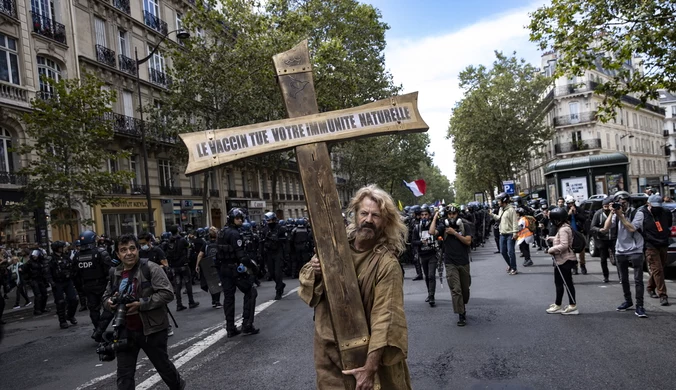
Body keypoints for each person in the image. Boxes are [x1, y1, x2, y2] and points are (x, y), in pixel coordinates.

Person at [299, 185, 411, 389]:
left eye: (376, 216)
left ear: (385, 221)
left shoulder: (387, 264)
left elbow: (385, 318)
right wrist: (316, 270)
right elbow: (306, 281)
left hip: (368, 357)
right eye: (364, 213)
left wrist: (369, 369)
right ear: (355, 214)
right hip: (329, 352)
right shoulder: (334, 246)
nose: (368, 220)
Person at [102, 234, 185, 390]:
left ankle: (178, 385)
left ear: (138, 250)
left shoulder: (150, 268)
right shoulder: (115, 273)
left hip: (151, 329)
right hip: (125, 329)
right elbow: (105, 296)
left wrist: (141, 304)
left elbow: (167, 293)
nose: (129, 253)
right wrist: (110, 303)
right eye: (123, 250)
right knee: (124, 375)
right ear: (118, 254)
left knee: (163, 366)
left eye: (132, 248)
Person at [601, 191, 647, 318]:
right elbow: (606, 228)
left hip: (636, 250)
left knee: (638, 280)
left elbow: (632, 228)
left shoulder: (638, 213)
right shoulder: (616, 213)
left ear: (629, 202)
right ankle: (628, 301)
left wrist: (620, 215)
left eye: (624, 203)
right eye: (620, 203)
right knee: (624, 279)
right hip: (620, 250)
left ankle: (640, 305)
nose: (622, 205)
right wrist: (612, 213)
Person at [217, 208, 260, 337]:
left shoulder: (221, 232)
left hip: (224, 269)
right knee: (251, 292)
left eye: (241, 218)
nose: (240, 220)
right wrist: (252, 266)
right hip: (235, 269)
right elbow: (241, 256)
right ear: (231, 219)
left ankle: (230, 328)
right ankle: (247, 325)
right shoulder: (235, 234)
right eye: (237, 218)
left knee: (229, 298)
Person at [430, 205, 472, 326]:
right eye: (449, 214)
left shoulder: (464, 225)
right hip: (450, 263)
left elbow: (468, 241)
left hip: (464, 262)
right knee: (456, 289)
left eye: (453, 214)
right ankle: (461, 314)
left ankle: (462, 305)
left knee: (465, 290)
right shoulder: (444, 226)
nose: (452, 216)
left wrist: (455, 233)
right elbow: (432, 232)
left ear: (457, 214)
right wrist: (435, 218)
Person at [73, 230, 114, 341]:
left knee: (93, 309)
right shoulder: (101, 252)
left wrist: (80, 289)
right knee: (110, 306)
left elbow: (75, 275)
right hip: (102, 284)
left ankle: (98, 330)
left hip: (87, 286)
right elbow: (109, 270)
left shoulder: (77, 256)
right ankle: (100, 330)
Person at [545, 207, 579, 315]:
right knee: (559, 283)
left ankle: (572, 306)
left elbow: (564, 245)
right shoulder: (564, 227)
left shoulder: (564, 229)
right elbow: (562, 240)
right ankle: (558, 304)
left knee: (566, 283)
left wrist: (551, 250)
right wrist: (552, 238)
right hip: (562, 260)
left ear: (557, 219)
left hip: (565, 260)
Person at [642, 195, 672, 306]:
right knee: (658, 269)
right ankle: (663, 295)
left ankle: (650, 287)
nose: (656, 208)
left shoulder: (666, 212)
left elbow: (668, 225)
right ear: (648, 204)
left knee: (659, 268)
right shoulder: (642, 213)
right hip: (650, 245)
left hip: (663, 243)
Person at [163, 226, 199, 311]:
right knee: (187, 282)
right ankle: (191, 302)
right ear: (178, 231)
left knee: (177, 285)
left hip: (174, 266)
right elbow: (189, 246)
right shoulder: (182, 240)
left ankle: (179, 304)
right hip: (183, 265)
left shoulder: (168, 242)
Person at [47, 241, 79, 329]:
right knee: (60, 302)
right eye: (62, 247)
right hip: (57, 283)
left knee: (74, 299)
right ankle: (62, 321)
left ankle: (70, 315)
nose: (64, 248)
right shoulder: (51, 259)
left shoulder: (66, 257)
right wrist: (51, 282)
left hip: (67, 281)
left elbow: (72, 266)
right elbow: (47, 271)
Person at [412, 205, 437, 306]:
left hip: (433, 254)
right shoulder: (417, 228)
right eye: (422, 215)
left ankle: (431, 296)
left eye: (426, 214)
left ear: (429, 215)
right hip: (423, 255)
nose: (424, 216)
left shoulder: (433, 225)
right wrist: (421, 242)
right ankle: (429, 293)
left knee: (431, 275)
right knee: (427, 276)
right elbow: (413, 241)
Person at [489, 192, 519, 275]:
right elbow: (499, 218)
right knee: (502, 251)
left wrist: (515, 233)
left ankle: (514, 268)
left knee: (511, 252)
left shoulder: (511, 210)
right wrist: (492, 215)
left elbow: (514, 222)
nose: (498, 202)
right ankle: (510, 265)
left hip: (510, 234)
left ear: (504, 200)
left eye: (499, 200)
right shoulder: (501, 209)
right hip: (502, 234)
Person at [589, 197, 617, 283]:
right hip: (602, 239)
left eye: (607, 206)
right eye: (604, 206)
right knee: (603, 259)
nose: (606, 208)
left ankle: (621, 277)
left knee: (617, 258)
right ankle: (606, 276)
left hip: (613, 238)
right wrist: (599, 230)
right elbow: (592, 226)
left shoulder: (615, 213)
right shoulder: (598, 214)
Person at [196, 227, 223, 309]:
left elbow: (200, 255)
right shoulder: (219, 243)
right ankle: (217, 301)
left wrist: (197, 265)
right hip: (218, 264)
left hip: (208, 264)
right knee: (218, 282)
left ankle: (214, 301)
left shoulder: (206, 244)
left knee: (211, 283)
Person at [261, 212, 286, 300]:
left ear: (274, 220)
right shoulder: (265, 229)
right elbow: (262, 241)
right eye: (267, 220)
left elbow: (286, 240)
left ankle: (278, 291)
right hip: (269, 252)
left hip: (278, 252)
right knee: (271, 273)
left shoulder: (280, 228)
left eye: (270, 220)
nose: (269, 222)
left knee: (278, 272)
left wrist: (278, 239)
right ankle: (280, 284)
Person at [565, 196, 586, 275]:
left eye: (572, 203)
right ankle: (574, 267)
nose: (571, 205)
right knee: (572, 250)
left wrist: (576, 213)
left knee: (582, 250)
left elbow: (584, 218)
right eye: (569, 204)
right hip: (570, 233)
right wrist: (569, 214)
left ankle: (583, 265)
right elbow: (564, 219)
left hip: (579, 232)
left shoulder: (579, 209)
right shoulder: (565, 210)